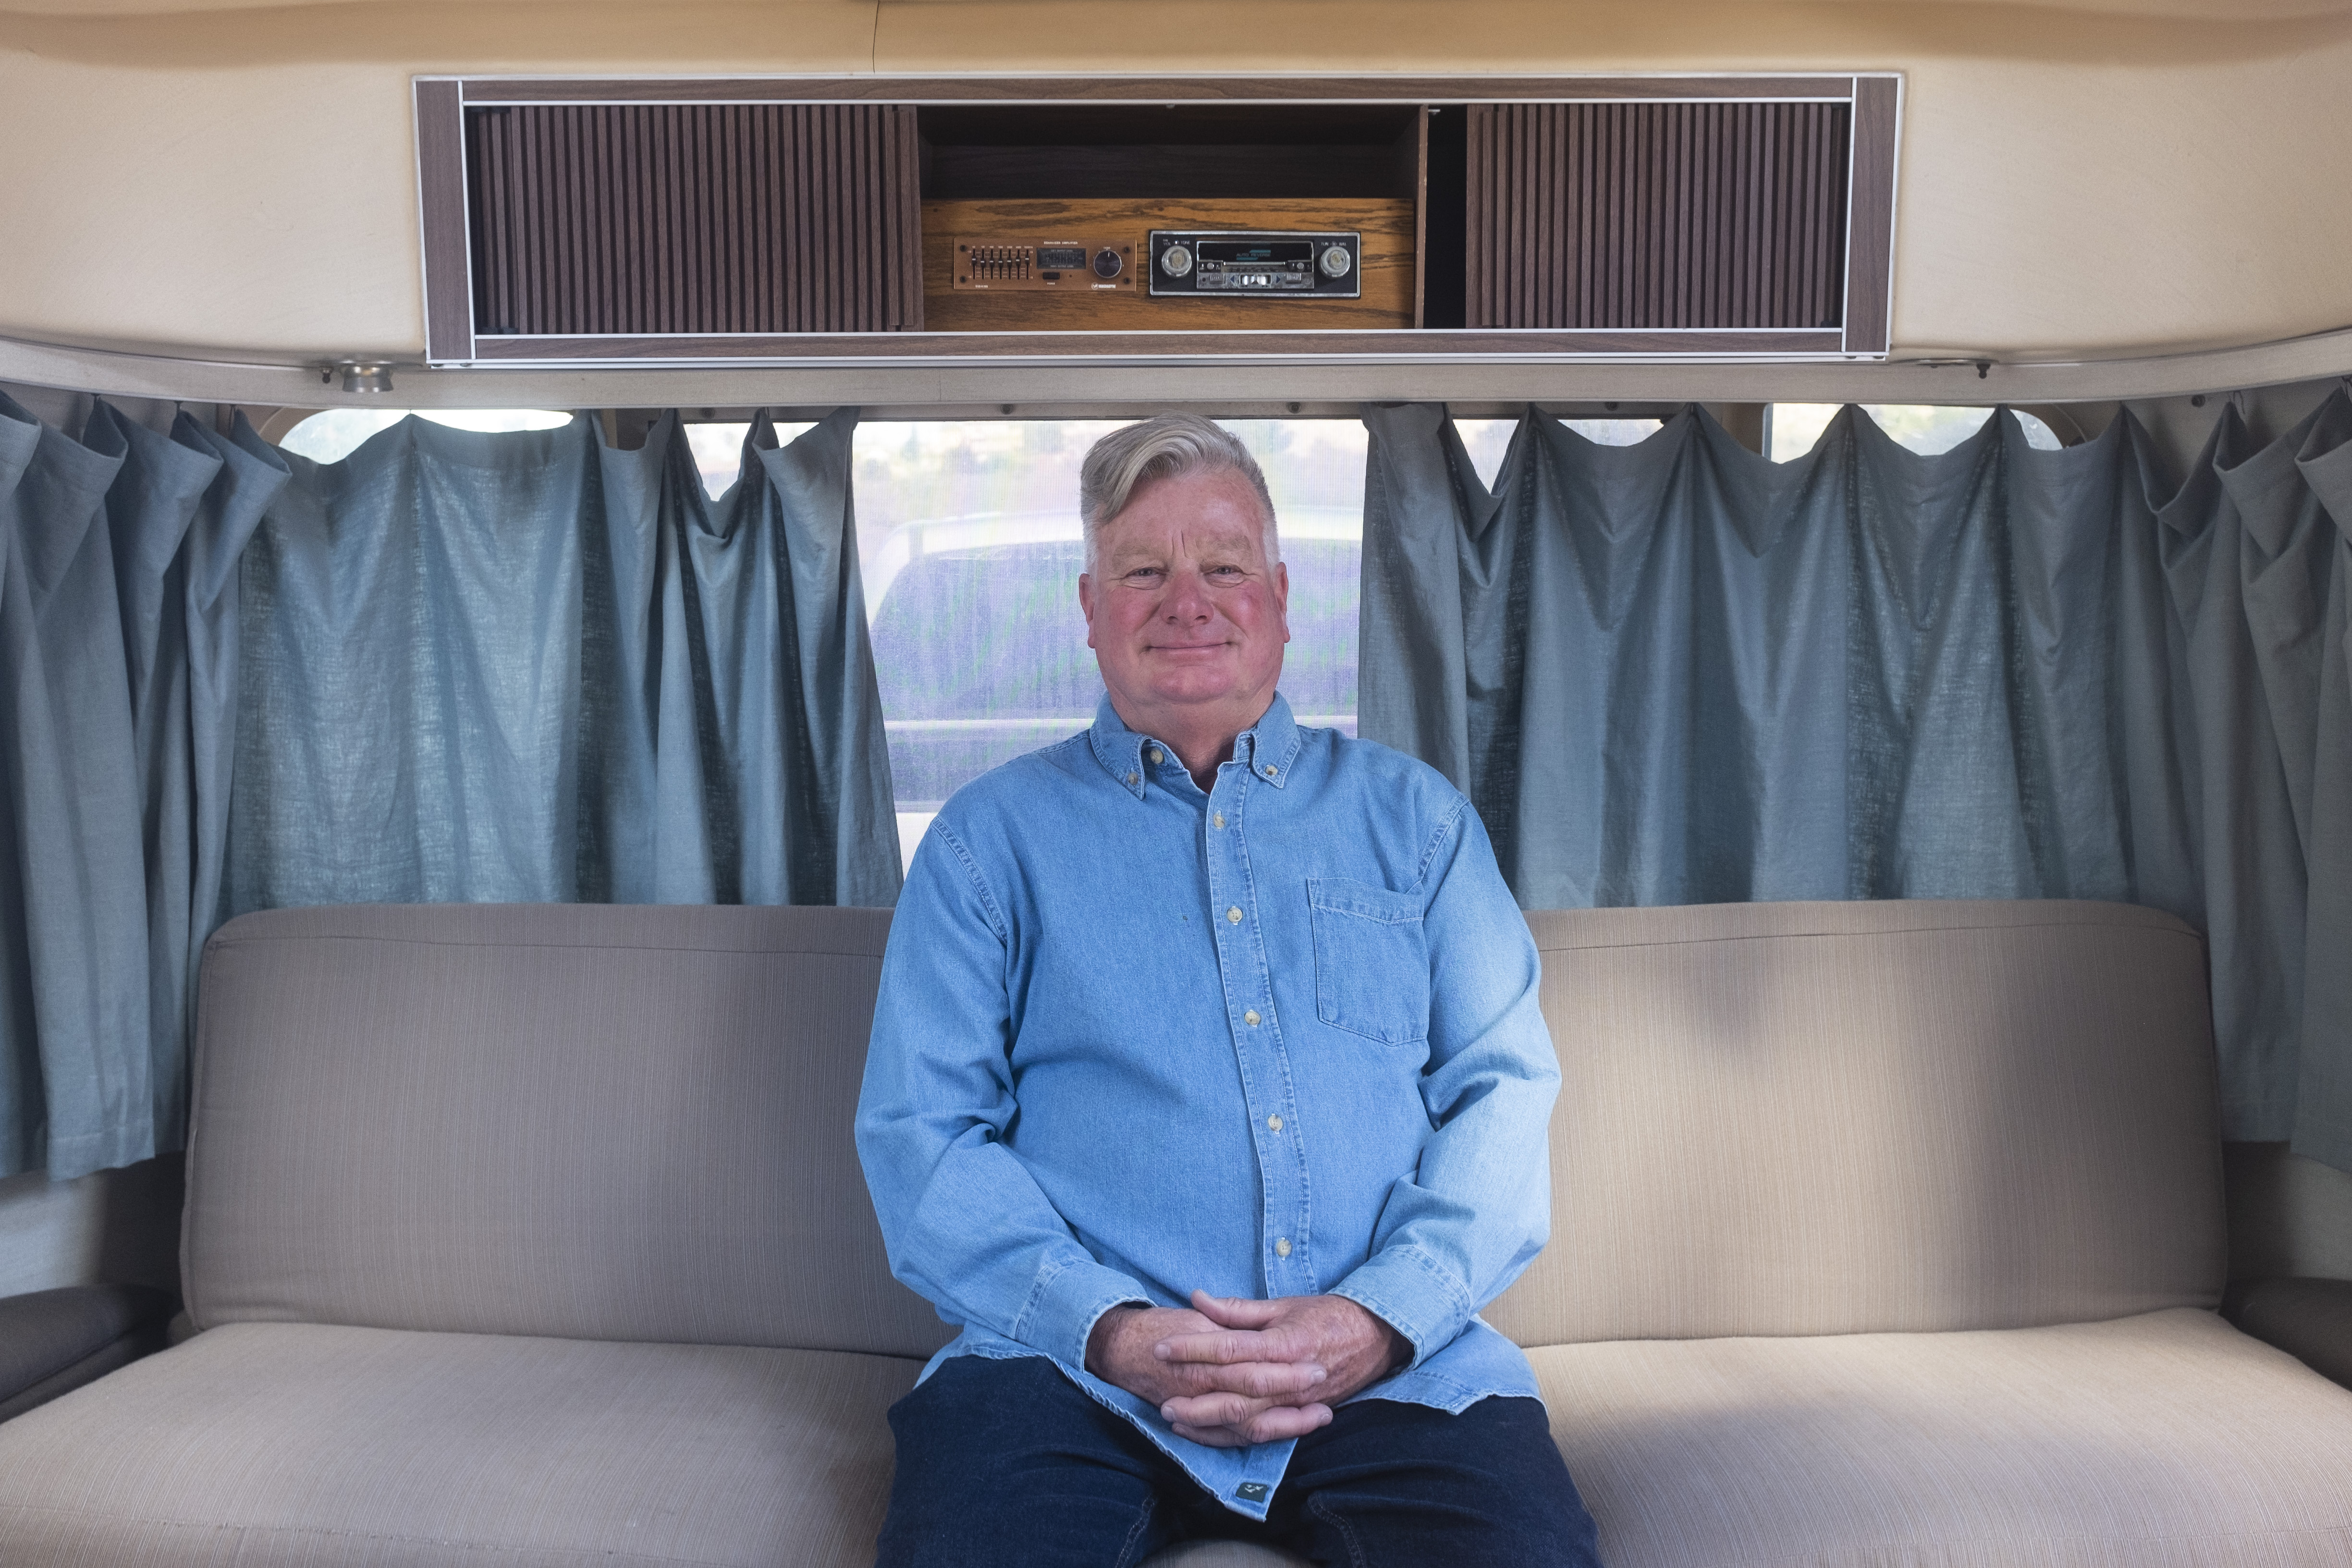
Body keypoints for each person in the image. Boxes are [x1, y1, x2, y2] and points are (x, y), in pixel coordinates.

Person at [855, 414, 1601, 1567]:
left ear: (1283, 600)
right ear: (1091, 609)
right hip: (1064, 1379)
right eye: (1143, 569)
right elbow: (923, 1138)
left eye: (1223, 566)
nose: (1186, 599)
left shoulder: (1421, 826)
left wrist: (1374, 1322)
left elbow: (1504, 1095)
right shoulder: (984, 845)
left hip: (1397, 1377)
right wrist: (1111, 1332)